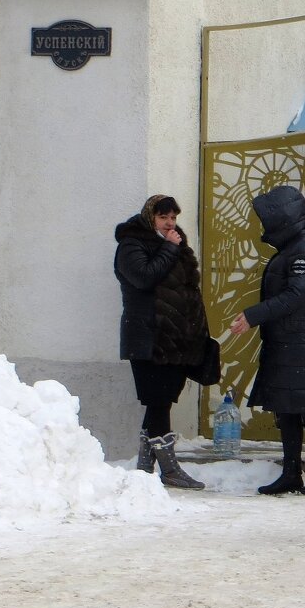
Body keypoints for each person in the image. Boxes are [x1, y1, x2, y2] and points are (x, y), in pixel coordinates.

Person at [228, 185, 305, 496]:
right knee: (287, 406)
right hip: (290, 340)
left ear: (282, 219)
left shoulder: (304, 248)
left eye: (267, 220)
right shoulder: (294, 246)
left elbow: (295, 295)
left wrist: (253, 315)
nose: (263, 227)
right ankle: (291, 472)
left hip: (302, 343)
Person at [114, 194, 209, 490]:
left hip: (175, 339)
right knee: (158, 402)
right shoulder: (131, 244)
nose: (170, 224)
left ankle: (144, 472)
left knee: (161, 402)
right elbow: (144, 278)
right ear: (150, 217)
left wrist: (197, 333)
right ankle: (169, 470)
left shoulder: (177, 245)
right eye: (163, 218)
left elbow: (188, 290)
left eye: (173, 218)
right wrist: (169, 248)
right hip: (148, 337)